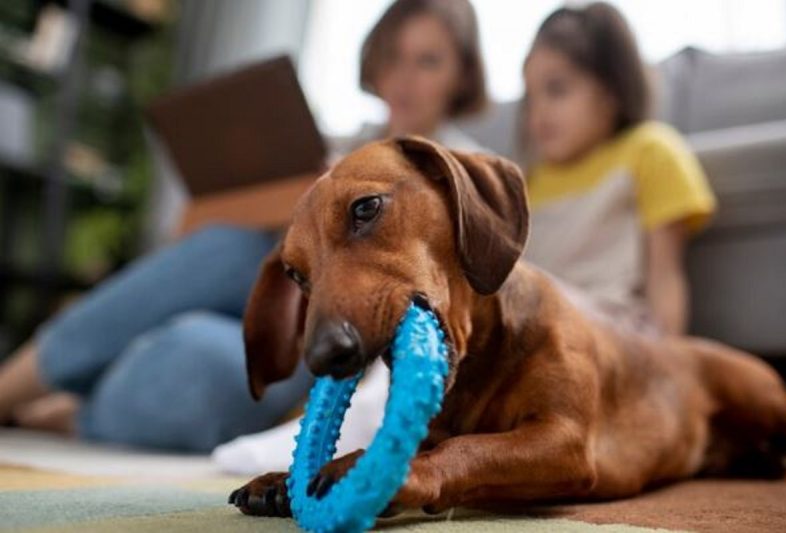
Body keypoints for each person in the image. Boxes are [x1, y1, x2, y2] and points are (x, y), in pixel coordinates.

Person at [0, 0, 488, 452]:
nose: (405, 78)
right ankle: (11, 387)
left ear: (461, 75)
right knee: (225, 246)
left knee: (197, 352)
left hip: (329, 335)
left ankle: (70, 415)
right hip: (261, 291)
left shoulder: (466, 172)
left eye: (428, 61)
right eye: (393, 57)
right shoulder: (337, 148)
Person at [521, 2, 716, 336]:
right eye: (530, 96)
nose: (538, 112)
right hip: (546, 332)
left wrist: (665, 368)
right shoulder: (528, 182)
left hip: (617, 335)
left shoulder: (650, 152)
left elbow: (665, 276)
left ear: (610, 91)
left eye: (557, 89)